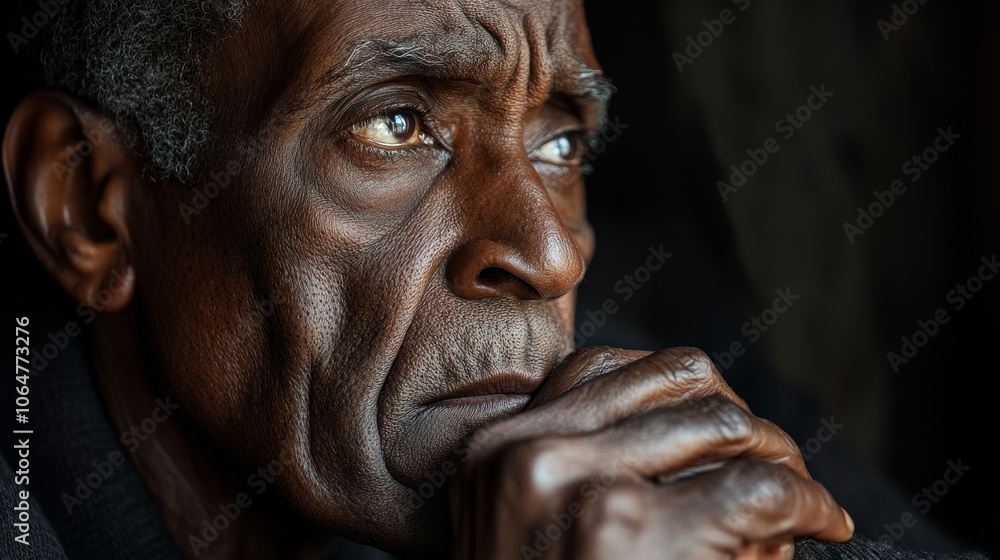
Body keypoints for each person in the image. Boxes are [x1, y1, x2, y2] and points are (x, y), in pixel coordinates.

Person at [0, 0, 987, 559]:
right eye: (397, 123)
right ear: (88, 203)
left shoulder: (656, 333)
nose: (553, 256)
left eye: (560, 139)